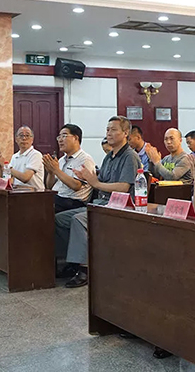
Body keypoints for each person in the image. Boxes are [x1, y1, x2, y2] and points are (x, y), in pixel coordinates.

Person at [55, 116, 140, 288]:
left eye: (113, 130)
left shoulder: (130, 156)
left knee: (78, 219)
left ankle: (84, 269)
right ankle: (72, 263)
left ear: (125, 133)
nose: (109, 133)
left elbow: (124, 187)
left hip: (119, 206)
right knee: (59, 219)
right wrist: (87, 177)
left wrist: (96, 183)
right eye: (107, 130)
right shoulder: (109, 157)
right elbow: (99, 181)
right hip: (101, 203)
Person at [43, 124, 96, 213]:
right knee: (34, 201)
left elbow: (76, 186)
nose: (60, 140)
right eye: (59, 137)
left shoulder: (85, 159)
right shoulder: (61, 160)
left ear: (75, 138)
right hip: (58, 197)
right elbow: (50, 186)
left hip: (73, 201)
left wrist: (56, 170)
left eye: (64, 136)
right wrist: (51, 173)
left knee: (40, 207)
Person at [0, 126, 44, 191]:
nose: (24, 138)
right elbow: (5, 177)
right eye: (21, 135)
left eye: (27, 135)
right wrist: (1, 166)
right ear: (16, 139)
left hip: (34, 193)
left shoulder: (35, 154)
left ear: (32, 140)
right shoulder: (15, 156)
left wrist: (7, 167)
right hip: (18, 191)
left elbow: (25, 178)